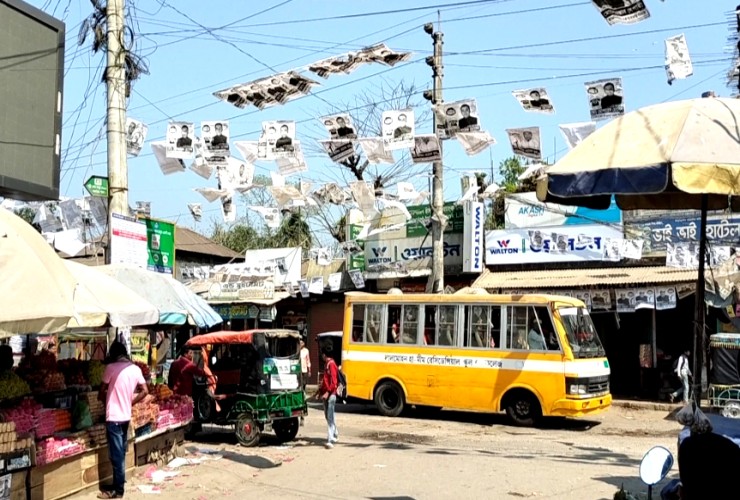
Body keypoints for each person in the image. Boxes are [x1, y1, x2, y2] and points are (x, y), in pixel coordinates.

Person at [98, 341, 148, 499]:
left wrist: (103, 399)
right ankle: (117, 483)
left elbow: (101, 391)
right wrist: (130, 402)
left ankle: (118, 491)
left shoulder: (110, 368)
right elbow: (145, 391)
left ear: (114, 354)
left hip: (113, 418)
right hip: (125, 417)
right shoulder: (135, 369)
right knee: (119, 453)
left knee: (116, 455)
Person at [317, 349, 339, 449]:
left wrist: (327, 392)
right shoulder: (327, 365)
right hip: (327, 394)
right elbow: (325, 381)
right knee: (328, 415)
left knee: (329, 417)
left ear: (324, 355)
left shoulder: (331, 364)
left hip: (331, 394)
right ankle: (335, 433)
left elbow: (334, 382)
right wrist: (320, 392)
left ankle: (330, 440)